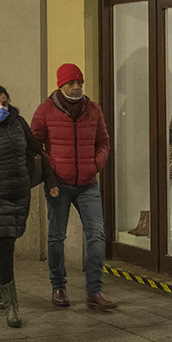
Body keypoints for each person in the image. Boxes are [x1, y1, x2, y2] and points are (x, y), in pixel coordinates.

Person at [31, 63, 116, 311]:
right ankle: (58, 286)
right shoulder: (45, 111)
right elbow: (36, 148)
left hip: (88, 184)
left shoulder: (94, 110)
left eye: (80, 82)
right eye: (71, 83)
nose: (76, 87)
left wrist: (95, 165)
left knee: (97, 236)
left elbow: (104, 142)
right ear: (61, 85)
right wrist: (51, 174)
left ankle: (94, 291)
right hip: (59, 184)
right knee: (57, 237)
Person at [0, 84, 41, 328]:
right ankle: (12, 306)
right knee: (4, 246)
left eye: (4, 103)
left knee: (7, 242)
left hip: (19, 193)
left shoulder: (18, 123)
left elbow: (34, 149)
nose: (1, 108)